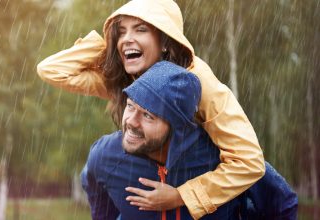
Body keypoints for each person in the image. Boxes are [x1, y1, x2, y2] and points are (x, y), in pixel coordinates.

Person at [37, 0, 265, 218]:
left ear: (166, 40)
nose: (127, 38)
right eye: (122, 31)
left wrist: (181, 196)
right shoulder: (127, 78)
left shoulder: (199, 81)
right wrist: (111, 44)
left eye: (140, 29)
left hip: (202, 193)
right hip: (145, 185)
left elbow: (249, 162)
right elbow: (52, 70)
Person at [81, 61, 298, 220]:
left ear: (176, 126)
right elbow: (98, 201)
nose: (131, 122)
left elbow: (283, 204)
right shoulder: (106, 155)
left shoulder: (222, 159)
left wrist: (182, 196)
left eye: (148, 115)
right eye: (130, 106)